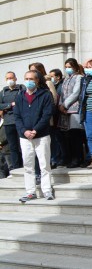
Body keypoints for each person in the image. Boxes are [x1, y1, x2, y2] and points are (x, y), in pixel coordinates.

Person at [14, 70, 55, 202]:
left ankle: (47, 190)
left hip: (41, 135)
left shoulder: (45, 95)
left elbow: (47, 114)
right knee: (28, 165)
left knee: (44, 165)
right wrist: (24, 131)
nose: (28, 81)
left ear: (37, 80)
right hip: (25, 136)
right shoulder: (20, 96)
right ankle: (30, 191)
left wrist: (36, 130)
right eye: (26, 78)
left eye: (31, 79)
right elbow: (17, 116)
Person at [57, 59, 85, 168]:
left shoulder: (79, 77)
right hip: (64, 111)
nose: (67, 68)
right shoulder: (66, 79)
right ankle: (72, 158)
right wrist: (60, 105)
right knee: (68, 136)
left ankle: (78, 158)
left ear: (75, 67)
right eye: (66, 66)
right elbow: (62, 93)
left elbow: (76, 93)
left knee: (76, 135)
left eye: (69, 66)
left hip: (74, 109)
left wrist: (65, 104)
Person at [0, 72, 26, 170]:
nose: (9, 80)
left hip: (20, 121)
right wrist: (10, 105)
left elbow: (22, 101)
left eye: (11, 77)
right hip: (8, 122)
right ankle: (16, 167)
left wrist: (12, 105)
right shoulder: (3, 92)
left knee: (22, 145)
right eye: (7, 78)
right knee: (12, 146)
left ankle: (25, 165)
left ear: (15, 78)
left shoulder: (21, 89)